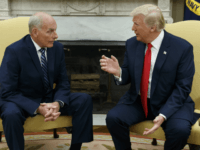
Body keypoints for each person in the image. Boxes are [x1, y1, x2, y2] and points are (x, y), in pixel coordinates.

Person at [100, 4, 199, 150]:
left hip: (172, 102)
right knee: (114, 118)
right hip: (140, 102)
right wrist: (119, 72)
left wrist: (164, 114)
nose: (132, 28)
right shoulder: (132, 44)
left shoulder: (182, 48)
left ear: (152, 27)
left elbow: (182, 88)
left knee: (179, 130)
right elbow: (128, 76)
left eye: (136, 24)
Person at [0, 12, 93, 150]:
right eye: (50, 31)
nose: (55, 36)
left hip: (48, 96)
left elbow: (63, 82)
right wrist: (37, 108)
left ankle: (75, 148)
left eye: (55, 30)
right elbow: (7, 91)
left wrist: (57, 103)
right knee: (10, 114)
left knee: (84, 99)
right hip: (21, 99)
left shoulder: (57, 48)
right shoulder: (14, 51)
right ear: (35, 32)